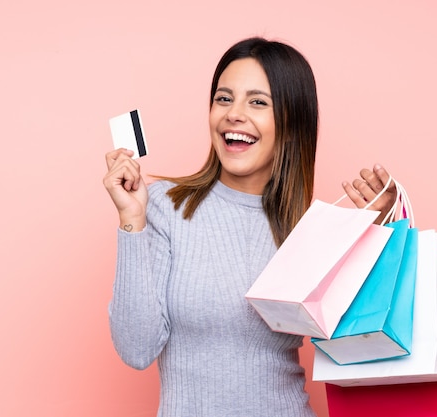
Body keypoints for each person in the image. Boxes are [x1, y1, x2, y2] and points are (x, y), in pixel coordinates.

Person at [103, 37, 397, 417]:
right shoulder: (164, 205)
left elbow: (362, 344)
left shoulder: (309, 228)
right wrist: (132, 221)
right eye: (224, 99)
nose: (234, 114)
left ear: (291, 123)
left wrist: (380, 234)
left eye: (257, 102)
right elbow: (136, 349)